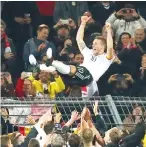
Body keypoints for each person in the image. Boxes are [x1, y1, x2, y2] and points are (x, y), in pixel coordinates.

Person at [29, 16, 114, 97]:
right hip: (77, 78)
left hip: (88, 79)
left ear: (102, 46)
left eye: (96, 44)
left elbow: (110, 47)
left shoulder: (106, 58)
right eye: (93, 43)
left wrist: (109, 31)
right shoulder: (89, 52)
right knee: (64, 69)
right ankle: (42, 65)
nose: (93, 45)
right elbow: (79, 40)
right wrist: (83, 23)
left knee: (77, 68)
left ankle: (51, 62)